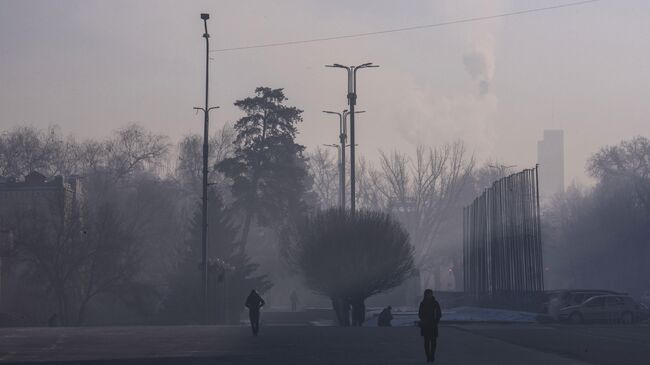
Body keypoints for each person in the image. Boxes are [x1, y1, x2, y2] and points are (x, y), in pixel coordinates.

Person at [418, 289, 442, 363]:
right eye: (428, 294)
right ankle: (428, 356)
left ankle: (432, 355)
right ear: (425, 295)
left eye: (430, 294)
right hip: (426, 325)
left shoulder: (435, 303)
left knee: (434, 342)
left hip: (433, 324)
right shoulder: (422, 303)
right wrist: (424, 319)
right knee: (427, 342)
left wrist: (436, 320)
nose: (429, 295)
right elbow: (420, 314)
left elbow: (439, 313)